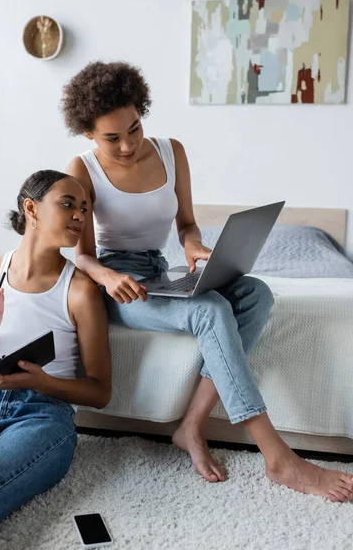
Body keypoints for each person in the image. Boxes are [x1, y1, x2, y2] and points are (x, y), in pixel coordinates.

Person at [63, 61, 353, 502]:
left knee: (255, 293)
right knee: (211, 310)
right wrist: (107, 275)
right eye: (112, 137)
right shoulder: (81, 169)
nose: (127, 145)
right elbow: (82, 253)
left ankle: (192, 425)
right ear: (88, 134)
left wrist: (195, 248)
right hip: (122, 286)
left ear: (142, 112)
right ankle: (277, 455)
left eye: (134, 129)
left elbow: (187, 226)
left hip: (160, 271)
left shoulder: (170, 151)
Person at [0, 170, 111, 548]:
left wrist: (40, 381)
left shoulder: (80, 290)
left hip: (43, 414)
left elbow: (100, 391)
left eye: (85, 209)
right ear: (31, 209)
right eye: (68, 204)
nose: (79, 216)